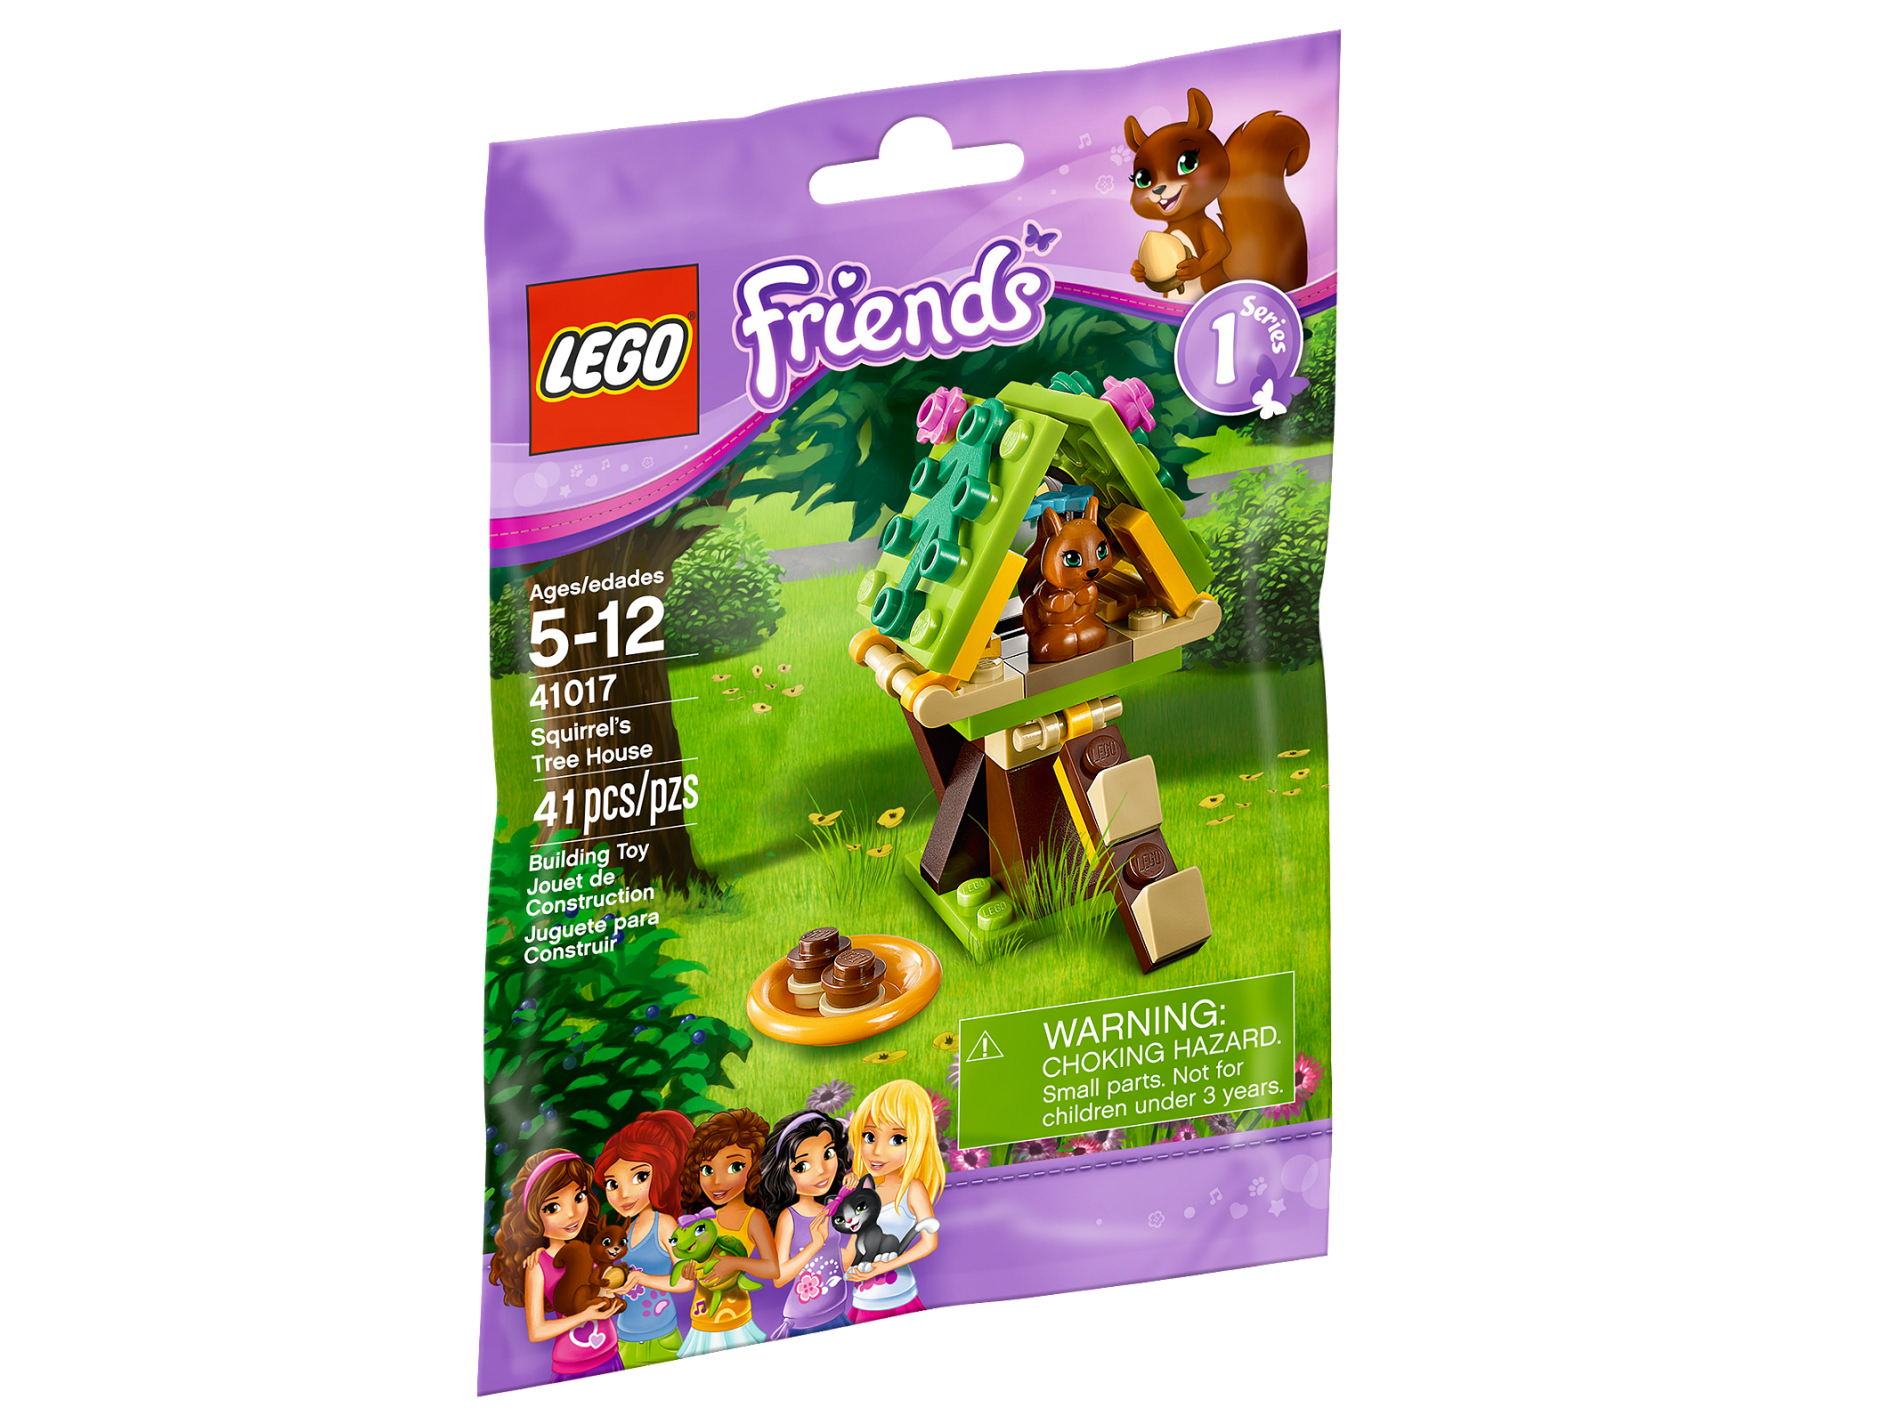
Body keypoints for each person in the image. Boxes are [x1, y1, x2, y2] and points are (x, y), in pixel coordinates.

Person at [488, 1149, 622, 1381]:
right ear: (533, 1215)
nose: (571, 1214)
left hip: (611, 1354)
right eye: (553, 1208)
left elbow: (602, 1286)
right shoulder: (537, 1265)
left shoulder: (590, 1247)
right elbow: (537, 1331)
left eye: (579, 1197)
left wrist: (613, 1290)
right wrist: (585, 1315)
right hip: (572, 1366)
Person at [593, 1110, 694, 1368]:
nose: (624, 1194)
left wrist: (641, 1278)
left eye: (639, 1177)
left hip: (661, 1336)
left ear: (661, 1173)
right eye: (613, 1184)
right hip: (624, 1337)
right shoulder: (625, 1230)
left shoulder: (665, 1225)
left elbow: (686, 1281)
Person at [841, 1081, 944, 1323]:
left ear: (918, 1142)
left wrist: (885, 1266)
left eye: (897, 1139)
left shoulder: (912, 1189)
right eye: (869, 1136)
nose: (877, 1151)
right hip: (862, 1297)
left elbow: (929, 1243)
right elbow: (852, 1249)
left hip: (898, 1294)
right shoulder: (866, 1192)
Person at [757, 1109, 855, 1338]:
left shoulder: (829, 1210)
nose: (821, 1170)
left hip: (837, 1312)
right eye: (802, 1166)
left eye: (828, 1154)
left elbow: (844, 1260)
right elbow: (779, 1277)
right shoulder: (789, 1217)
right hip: (805, 1321)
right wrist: (814, 1245)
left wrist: (859, 1203)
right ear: (784, 1173)